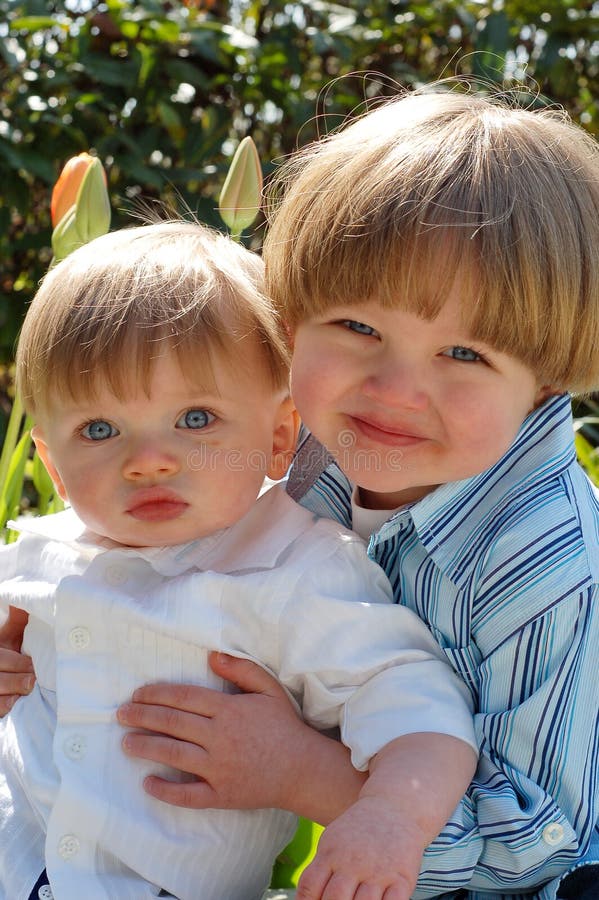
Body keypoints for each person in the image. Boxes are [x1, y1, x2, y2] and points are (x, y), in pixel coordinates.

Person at [107, 88, 599, 900]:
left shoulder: (545, 565)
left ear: (544, 378)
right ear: (293, 317)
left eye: (465, 354)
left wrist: (304, 773)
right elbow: (160, 552)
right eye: (359, 330)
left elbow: (538, 840)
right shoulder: (304, 450)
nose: (394, 390)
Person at [0, 220, 478, 900]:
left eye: (195, 418)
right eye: (99, 430)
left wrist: (389, 816)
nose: (149, 460)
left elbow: (418, 709)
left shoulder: (296, 570)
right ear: (50, 459)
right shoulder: (37, 555)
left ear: (280, 434)